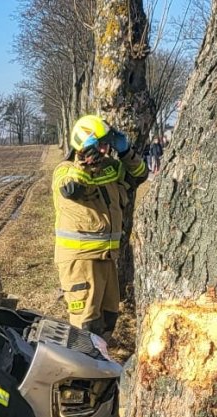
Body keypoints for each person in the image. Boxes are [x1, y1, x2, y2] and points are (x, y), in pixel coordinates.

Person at [52, 115, 148, 336]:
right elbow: (71, 189)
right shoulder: (65, 170)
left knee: (108, 319)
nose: (105, 150)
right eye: (100, 145)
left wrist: (125, 152)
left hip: (106, 258)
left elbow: (140, 174)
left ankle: (101, 364)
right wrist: (87, 166)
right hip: (80, 260)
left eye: (107, 144)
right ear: (84, 144)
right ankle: (83, 368)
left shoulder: (111, 168)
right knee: (86, 325)